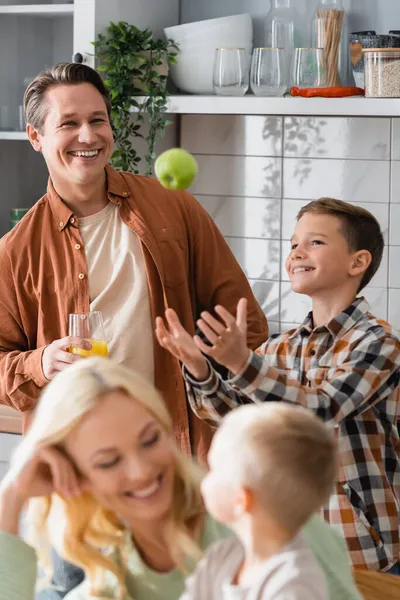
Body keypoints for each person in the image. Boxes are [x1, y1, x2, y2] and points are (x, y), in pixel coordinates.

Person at [0, 61, 268, 461]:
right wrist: (42, 361)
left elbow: (245, 323)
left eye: (98, 120)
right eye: (68, 123)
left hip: (180, 450)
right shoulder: (15, 251)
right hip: (82, 462)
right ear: (36, 136)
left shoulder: (174, 206)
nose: (88, 136)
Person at [156, 197, 400, 573]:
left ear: (358, 262)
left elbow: (319, 413)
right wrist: (199, 368)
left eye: (315, 242)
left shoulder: (380, 343)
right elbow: (236, 416)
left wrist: (241, 363)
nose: (297, 252)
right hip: (290, 546)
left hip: (364, 551)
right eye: (293, 244)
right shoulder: (280, 347)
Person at [0, 357, 362, 600]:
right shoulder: (106, 573)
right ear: (75, 474)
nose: (141, 471)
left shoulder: (272, 526)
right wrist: (11, 495)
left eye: (150, 440)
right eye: (109, 462)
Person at [182, 402, 353, 600]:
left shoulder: (294, 584)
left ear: (240, 500)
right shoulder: (219, 558)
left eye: (213, 468)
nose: (203, 476)